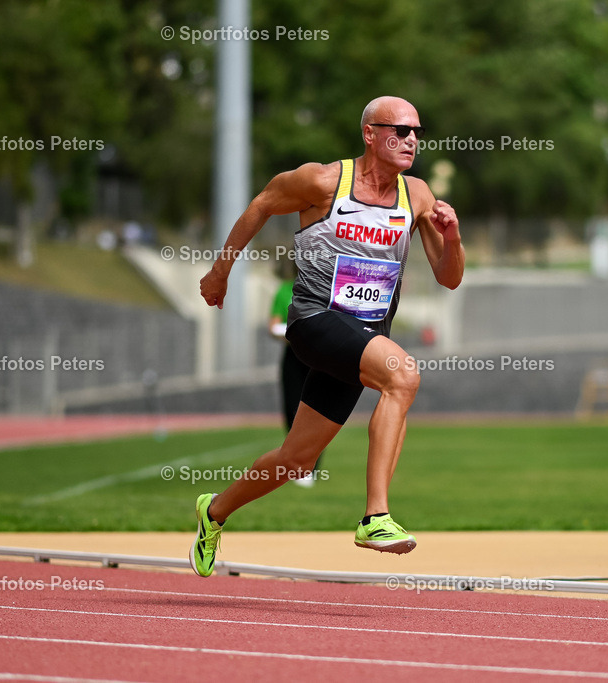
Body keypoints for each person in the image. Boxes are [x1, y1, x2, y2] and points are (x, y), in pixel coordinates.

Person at [192, 96, 464, 577]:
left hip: (362, 337)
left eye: (416, 132)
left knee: (296, 460)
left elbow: (449, 277)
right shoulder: (322, 181)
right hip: (315, 320)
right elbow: (260, 205)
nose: (410, 140)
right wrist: (220, 272)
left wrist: (454, 238)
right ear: (369, 134)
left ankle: (213, 512)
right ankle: (375, 517)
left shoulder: (417, 196)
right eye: (399, 131)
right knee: (403, 376)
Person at [268, 260, 321, 487]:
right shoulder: (284, 290)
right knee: (291, 409)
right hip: (292, 355)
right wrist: (290, 332)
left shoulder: (323, 287)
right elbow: (273, 325)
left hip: (318, 357)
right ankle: (298, 463)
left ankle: (311, 466)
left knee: (318, 410)